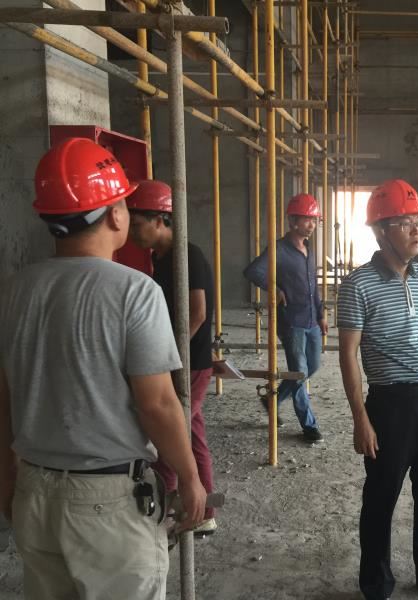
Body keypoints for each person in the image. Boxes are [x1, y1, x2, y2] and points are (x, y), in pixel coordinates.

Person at [0, 138, 206, 600]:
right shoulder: (135, 291)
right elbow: (157, 404)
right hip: (107, 505)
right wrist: (190, 478)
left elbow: (5, 394)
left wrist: (7, 478)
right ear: (115, 214)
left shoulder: (15, 290)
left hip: (35, 491)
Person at [337, 179, 418, 600]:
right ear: (380, 231)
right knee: (381, 499)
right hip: (390, 406)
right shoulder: (358, 285)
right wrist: (360, 418)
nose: (417, 230)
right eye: (405, 222)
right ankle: (376, 584)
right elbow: (348, 355)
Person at [127, 179, 218, 536]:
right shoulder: (161, 257)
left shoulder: (187, 255)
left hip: (190, 363)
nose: (133, 232)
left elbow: (197, 313)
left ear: (160, 219)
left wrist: (168, 357)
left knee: (169, 436)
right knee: (192, 436)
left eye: (138, 224)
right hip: (182, 361)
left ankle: (165, 511)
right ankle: (204, 512)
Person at [244, 193, 325, 443]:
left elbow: (314, 286)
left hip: (311, 320)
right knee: (299, 372)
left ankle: (273, 400)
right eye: (307, 219)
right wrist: (275, 288)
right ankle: (309, 426)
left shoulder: (309, 250)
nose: (312, 224)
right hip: (291, 322)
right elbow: (253, 271)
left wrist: (321, 314)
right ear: (292, 221)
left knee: (313, 366)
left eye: (314, 220)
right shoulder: (278, 249)